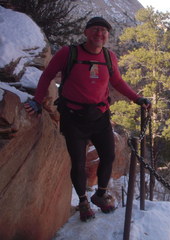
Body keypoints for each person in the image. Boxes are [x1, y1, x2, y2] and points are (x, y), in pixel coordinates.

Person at [24, 16, 151, 222]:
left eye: (104, 31)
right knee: (78, 162)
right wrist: (37, 101)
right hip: (73, 117)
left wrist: (137, 98)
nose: (99, 34)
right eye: (95, 29)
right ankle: (83, 202)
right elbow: (47, 75)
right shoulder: (69, 53)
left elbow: (117, 81)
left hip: (100, 117)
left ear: (107, 36)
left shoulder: (109, 57)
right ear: (86, 32)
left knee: (108, 156)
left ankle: (100, 195)